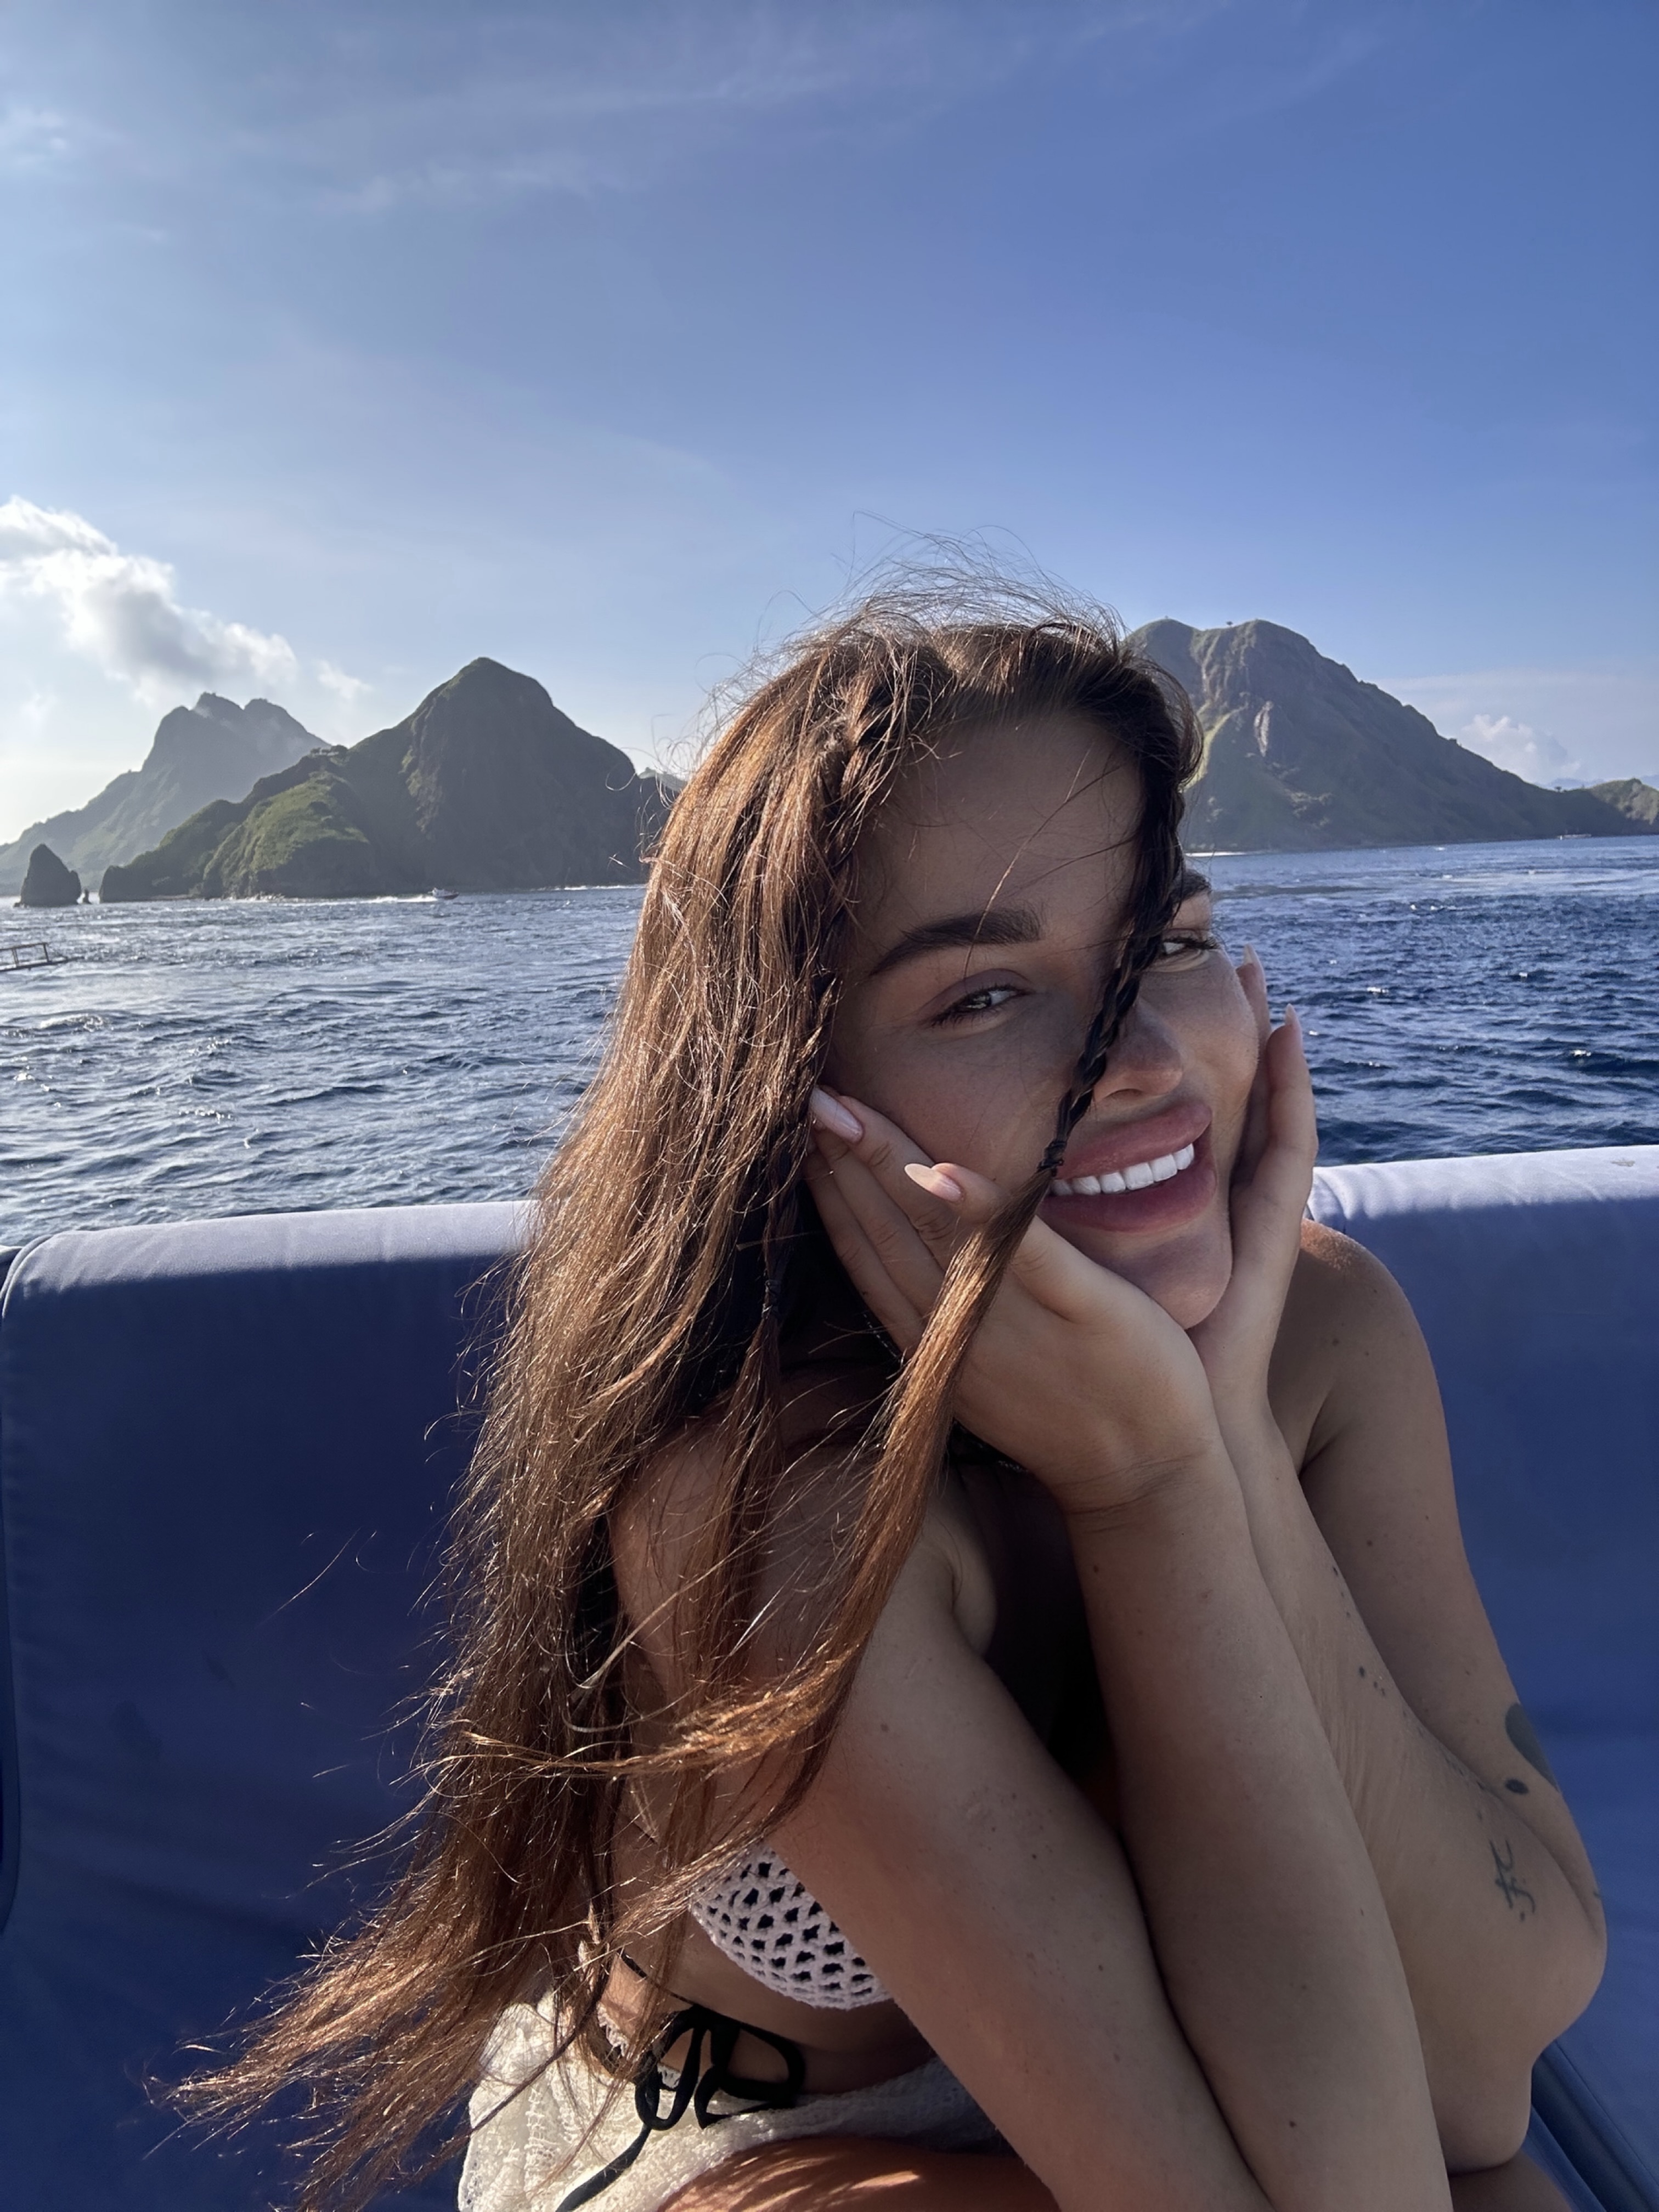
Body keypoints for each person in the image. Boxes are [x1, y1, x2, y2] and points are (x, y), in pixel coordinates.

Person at [186, 584, 1604, 2212]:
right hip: (738, 2148)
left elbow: (1482, 2071)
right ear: (800, 1092)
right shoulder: (769, 1505)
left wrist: (1220, 1443)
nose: (1145, 1056)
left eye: (1172, 944)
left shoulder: (1321, 1337)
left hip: (1224, 2084)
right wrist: (1150, 1486)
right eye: (983, 995)